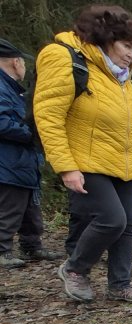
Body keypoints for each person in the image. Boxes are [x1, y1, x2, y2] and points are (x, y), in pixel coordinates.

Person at [34, 5, 132, 302]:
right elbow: (48, 116)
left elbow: (130, 128)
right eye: (126, 45)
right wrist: (65, 166)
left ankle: (120, 285)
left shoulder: (122, 78)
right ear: (104, 38)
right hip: (85, 161)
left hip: (121, 162)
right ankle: (75, 269)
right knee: (112, 220)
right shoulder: (64, 57)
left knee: (127, 227)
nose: (131, 54)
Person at [0, 38, 61, 268]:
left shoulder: (15, 91)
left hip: (23, 162)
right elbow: (2, 123)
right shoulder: (1, 87)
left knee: (30, 209)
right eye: (23, 63)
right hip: (8, 163)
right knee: (8, 208)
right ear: (16, 62)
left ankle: (32, 246)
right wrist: (35, 133)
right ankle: (2, 250)